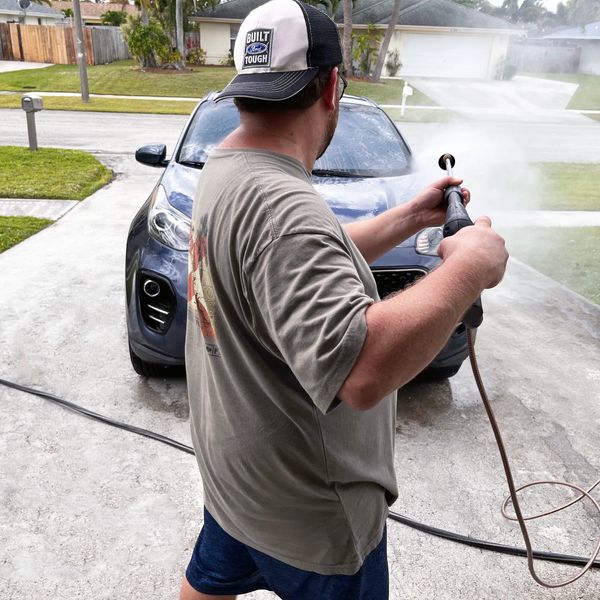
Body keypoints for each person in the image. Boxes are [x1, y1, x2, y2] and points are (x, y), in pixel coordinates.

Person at [181, 1, 508, 598]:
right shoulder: (286, 209)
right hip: (310, 515)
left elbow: (281, 262)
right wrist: (468, 270)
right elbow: (361, 371)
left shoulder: (226, 166)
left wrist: (410, 216)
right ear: (333, 84)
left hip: (239, 479)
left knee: (207, 587)